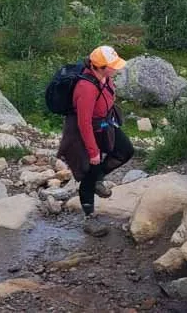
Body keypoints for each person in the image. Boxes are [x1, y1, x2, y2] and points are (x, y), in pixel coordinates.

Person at [57, 45, 134, 236]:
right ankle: (89, 217)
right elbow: (83, 123)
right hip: (84, 132)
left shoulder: (105, 78)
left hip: (103, 125)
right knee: (89, 170)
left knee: (126, 150)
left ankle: (98, 177)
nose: (116, 69)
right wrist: (93, 152)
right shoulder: (86, 88)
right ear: (100, 67)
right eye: (112, 66)